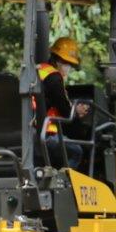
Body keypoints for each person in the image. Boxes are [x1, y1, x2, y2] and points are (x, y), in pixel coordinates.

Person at [37, 36, 91, 169]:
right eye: (65, 62)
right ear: (56, 59)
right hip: (47, 133)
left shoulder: (38, 70)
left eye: (70, 64)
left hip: (31, 130)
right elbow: (65, 110)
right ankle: (64, 184)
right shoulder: (54, 77)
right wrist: (76, 111)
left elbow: (51, 100)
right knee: (76, 152)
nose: (68, 67)